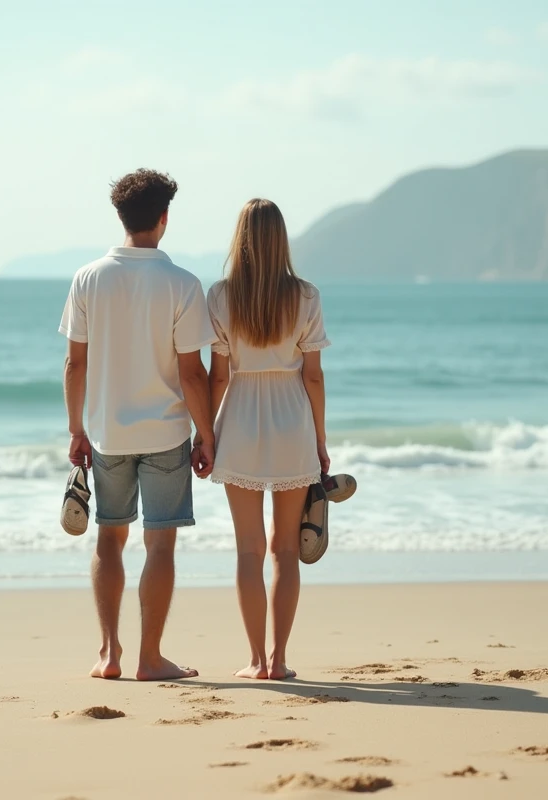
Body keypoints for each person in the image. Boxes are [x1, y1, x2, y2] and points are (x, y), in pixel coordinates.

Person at [59, 169, 218, 681]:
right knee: (160, 543)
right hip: (167, 433)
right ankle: (150, 658)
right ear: (164, 219)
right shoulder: (183, 285)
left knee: (109, 540)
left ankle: (109, 654)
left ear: (122, 217)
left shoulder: (88, 277)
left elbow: (74, 364)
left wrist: (75, 429)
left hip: (107, 433)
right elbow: (192, 373)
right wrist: (207, 434)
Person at [207, 198, 331, 680]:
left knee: (248, 550)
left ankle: (256, 660)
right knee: (284, 550)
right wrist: (320, 440)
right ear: (282, 240)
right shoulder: (306, 297)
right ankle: (279, 661)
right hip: (291, 422)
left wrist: (207, 434)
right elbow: (315, 378)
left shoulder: (220, 296)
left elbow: (217, 377)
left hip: (238, 419)